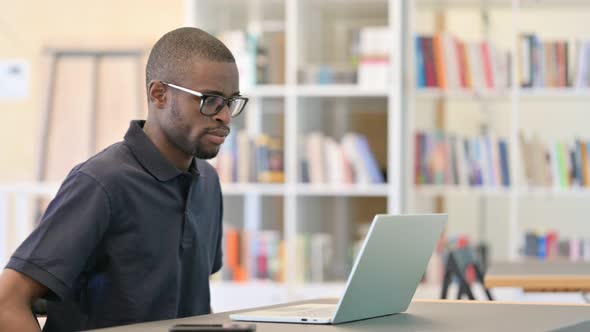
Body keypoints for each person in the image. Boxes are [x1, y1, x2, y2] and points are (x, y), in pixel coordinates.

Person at [0, 27, 248, 331]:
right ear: (159, 94)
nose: (225, 116)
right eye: (210, 100)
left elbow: (189, 301)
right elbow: (8, 302)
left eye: (231, 101)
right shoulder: (101, 183)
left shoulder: (208, 182)